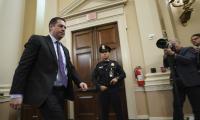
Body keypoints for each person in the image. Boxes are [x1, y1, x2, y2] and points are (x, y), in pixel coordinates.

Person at [9, 17, 88, 120]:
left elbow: (70, 68)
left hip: (61, 92)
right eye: (60, 26)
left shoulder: (64, 50)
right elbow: (23, 66)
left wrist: (79, 81)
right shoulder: (38, 40)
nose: (63, 29)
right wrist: (16, 93)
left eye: (65, 27)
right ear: (51, 27)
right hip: (46, 91)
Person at [163, 39, 200, 120]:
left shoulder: (188, 49)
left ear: (179, 43)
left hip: (191, 81)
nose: (172, 45)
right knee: (177, 106)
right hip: (177, 83)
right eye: (170, 44)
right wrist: (165, 55)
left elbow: (189, 60)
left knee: (197, 106)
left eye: (174, 43)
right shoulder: (170, 53)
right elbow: (166, 65)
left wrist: (174, 54)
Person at [92, 44, 126, 120]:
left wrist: (117, 78)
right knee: (104, 111)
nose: (104, 53)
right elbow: (93, 78)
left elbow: (123, 74)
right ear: (100, 54)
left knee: (118, 110)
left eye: (106, 51)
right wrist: (99, 86)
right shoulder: (98, 65)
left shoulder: (115, 63)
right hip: (103, 91)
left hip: (114, 90)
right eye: (102, 52)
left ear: (109, 53)